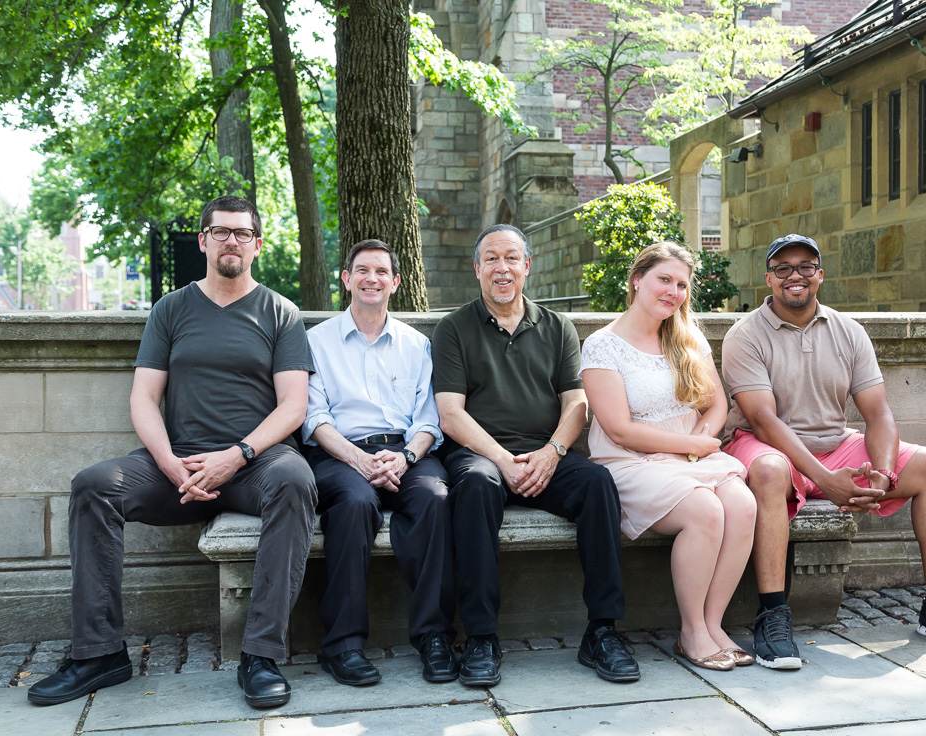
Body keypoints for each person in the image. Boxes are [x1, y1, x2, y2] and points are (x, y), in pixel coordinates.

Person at [28, 196, 318, 709]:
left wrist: (238, 454)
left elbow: (294, 406)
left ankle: (261, 655)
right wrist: (168, 463)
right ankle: (99, 654)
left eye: (242, 233)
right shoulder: (172, 308)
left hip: (256, 465)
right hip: (179, 463)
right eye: (221, 232)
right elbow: (144, 396)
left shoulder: (280, 311)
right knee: (94, 486)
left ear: (257, 244)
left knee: (296, 480)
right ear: (203, 240)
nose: (232, 241)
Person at [722, 233, 926, 670]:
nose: (794, 276)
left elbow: (879, 414)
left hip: (835, 445)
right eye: (783, 268)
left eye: (805, 267)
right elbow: (764, 421)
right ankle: (773, 615)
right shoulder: (745, 334)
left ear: (820, 275)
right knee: (771, 471)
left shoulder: (848, 331)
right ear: (769, 279)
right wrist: (825, 480)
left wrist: (885, 474)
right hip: (766, 447)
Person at [432, 223, 640, 687]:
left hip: (547, 452)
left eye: (511, 258)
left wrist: (553, 452)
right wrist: (503, 460)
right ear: (477, 269)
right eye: (491, 259)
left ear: (527, 265)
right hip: (480, 454)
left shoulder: (556, 327)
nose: (501, 268)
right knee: (476, 484)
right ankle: (482, 637)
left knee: (597, 484)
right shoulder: (454, 328)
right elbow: (450, 414)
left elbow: (576, 403)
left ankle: (603, 631)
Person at [580, 242, 756, 671]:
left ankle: (714, 626)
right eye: (664, 279)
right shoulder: (603, 346)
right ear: (637, 279)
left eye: (681, 284)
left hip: (689, 455)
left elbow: (717, 405)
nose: (673, 291)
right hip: (631, 461)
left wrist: (699, 438)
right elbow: (619, 428)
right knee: (705, 512)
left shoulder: (687, 337)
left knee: (743, 504)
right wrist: (691, 447)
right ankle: (691, 631)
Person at [302, 239, 457, 686]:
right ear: (347, 279)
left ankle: (435, 637)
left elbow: (430, 417)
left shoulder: (417, 345)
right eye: (362, 271)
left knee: (434, 498)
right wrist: (359, 460)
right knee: (353, 504)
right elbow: (313, 417)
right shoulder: (316, 342)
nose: (372, 279)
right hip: (339, 452)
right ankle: (343, 645)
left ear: (396, 282)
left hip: (405, 452)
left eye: (381, 272)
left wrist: (406, 458)